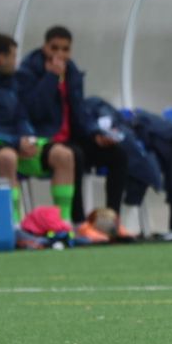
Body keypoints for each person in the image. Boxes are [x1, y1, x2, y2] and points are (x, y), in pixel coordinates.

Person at [16, 25, 132, 230]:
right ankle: (78, 222)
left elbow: (80, 113)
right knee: (74, 155)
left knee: (118, 154)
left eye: (65, 49)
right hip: (45, 142)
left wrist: (95, 134)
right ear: (45, 47)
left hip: (72, 138)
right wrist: (51, 77)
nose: (60, 54)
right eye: (55, 48)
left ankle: (111, 221)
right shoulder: (28, 72)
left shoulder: (73, 73)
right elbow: (34, 111)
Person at [0, 32, 77, 227]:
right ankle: (13, 225)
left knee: (64, 155)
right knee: (7, 157)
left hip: (14, 142)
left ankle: (63, 223)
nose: (15, 62)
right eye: (13, 56)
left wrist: (28, 138)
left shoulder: (12, 84)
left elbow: (22, 116)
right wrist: (15, 142)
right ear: (0, 59)